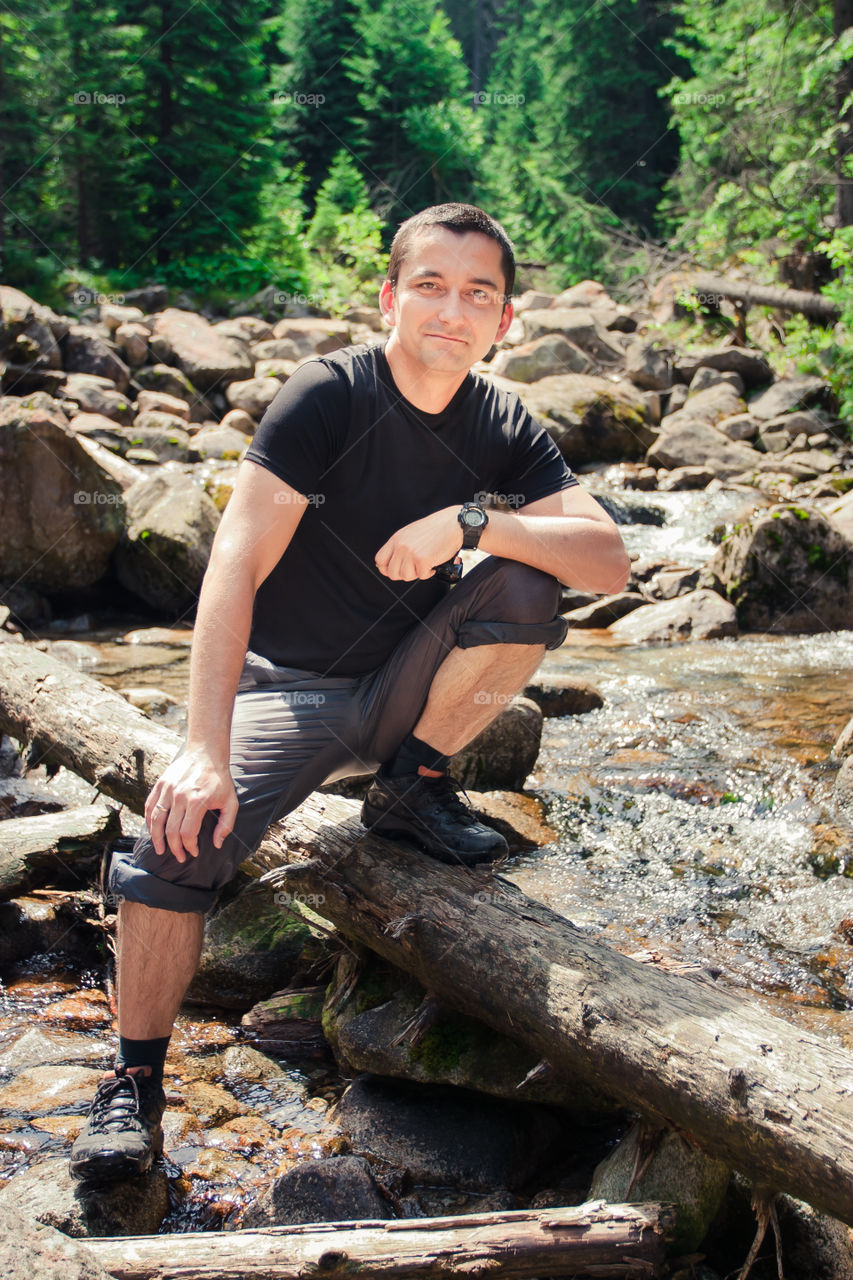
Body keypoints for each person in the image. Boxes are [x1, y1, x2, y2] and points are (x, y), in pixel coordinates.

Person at [69, 203, 630, 1183]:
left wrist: (472, 521)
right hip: (281, 693)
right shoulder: (326, 395)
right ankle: (134, 1080)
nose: (452, 310)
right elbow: (232, 567)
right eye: (430, 285)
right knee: (173, 842)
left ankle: (413, 783)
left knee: (529, 580)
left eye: (478, 294)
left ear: (504, 321)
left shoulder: (499, 423)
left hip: (402, 691)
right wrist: (201, 745)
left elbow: (608, 561)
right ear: (388, 297)